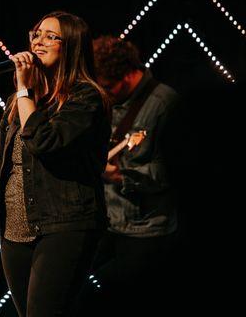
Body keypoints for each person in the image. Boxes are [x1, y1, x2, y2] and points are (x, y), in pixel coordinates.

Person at [0, 11, 111, 317]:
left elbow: (44, 142)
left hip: (63, 225)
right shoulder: (20, 100)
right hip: (15, 228)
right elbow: (4, 152)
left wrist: (24, 88)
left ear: (71, 47)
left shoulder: (85, 99)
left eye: (50, 36)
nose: (38, 41)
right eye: (37, 34)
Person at [76, 35, 178, 313]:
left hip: (145, 231)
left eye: (107, 87)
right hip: (106, 221)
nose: (104, 94)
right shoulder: (103, 100)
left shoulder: (165, 104)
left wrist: (119, 175)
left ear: (129, 74)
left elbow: (174, 172)